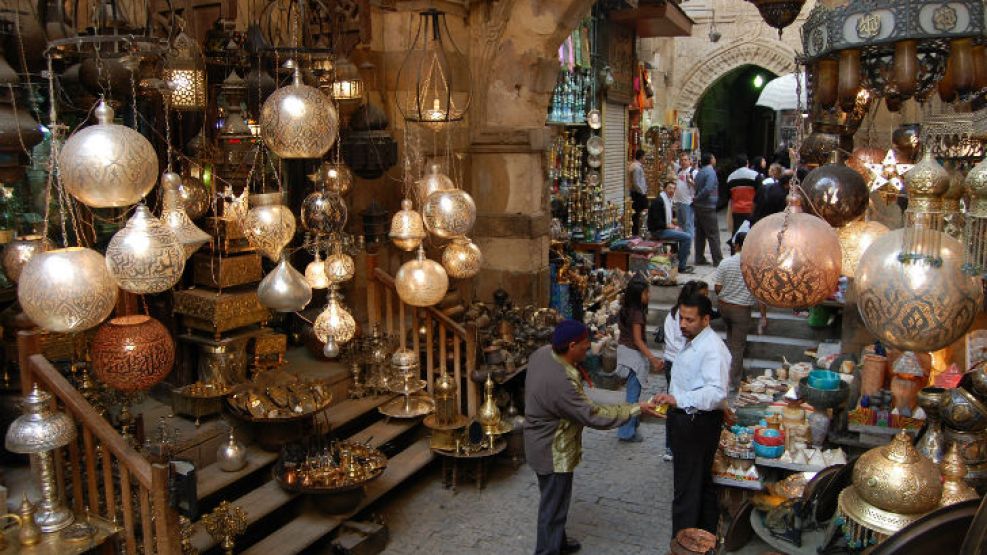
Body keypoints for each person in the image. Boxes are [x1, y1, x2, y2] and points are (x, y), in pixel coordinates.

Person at [525, 320, 658, 555]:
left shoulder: (543, 353)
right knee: (552, 503)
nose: (588, 351)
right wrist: (636, 408)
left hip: (541, 442)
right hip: (552, 449)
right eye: (585, 347)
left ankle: (558, 540)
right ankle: (547, 550)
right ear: (572, 345)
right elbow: (594, 415)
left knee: (556, 499)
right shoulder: (562, 382)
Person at [653, 294, 729, 536]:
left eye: (690, 320)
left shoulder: (712, 349)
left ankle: (684, 543)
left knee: (687, 489)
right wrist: (671, 397)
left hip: (697, 424)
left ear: (706, 319)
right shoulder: (694, 340)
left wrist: (679, 399)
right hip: (688, 420)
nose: (683, 324)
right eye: (681, 319)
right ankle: (704, 538)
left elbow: (716, 393)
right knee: (700, 484)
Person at [660, 280, 710, 462]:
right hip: (675, 362)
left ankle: (679, 444)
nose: (684, 323)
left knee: (681, 402)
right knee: (675, 404)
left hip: (678, 361)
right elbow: (674, 340)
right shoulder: (674, 316)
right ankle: (671, 445)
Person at [714, 232, 768, 390]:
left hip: (724, 307)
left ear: (736, 245)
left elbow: (718, 287)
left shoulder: (725, 263)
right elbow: (760, 295)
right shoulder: (755, 267)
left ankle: (726, 374)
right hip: (741, 311)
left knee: (731, 343)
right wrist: (763, 315)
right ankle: (732, 381)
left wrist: (727, 294)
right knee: (737, 347)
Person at [614, 277, 664, 442]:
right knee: (632, 397)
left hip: (625, 352)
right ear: (638, 295)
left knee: (632, 394)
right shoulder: (637, 314)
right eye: (646, 292)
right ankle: (626, 431)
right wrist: (652, 359)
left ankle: (631, 426)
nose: (649, 295)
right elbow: (638, 340)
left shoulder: (626, 308)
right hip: (632, 356)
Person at [647, 182, 694, 274]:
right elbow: (657, 221)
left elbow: (669, 219)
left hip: (664, 229)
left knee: (684, 233)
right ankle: (681, 266)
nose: (672, 190)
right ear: (664, 189)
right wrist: (669, 226)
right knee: (687, 237)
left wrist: (674, 225)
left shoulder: (668, 200)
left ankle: (678, 263)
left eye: (673, 189)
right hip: (658, 231)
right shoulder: (659, 201)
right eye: (669, 188)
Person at [692, 153, 722, 266]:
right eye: (713, 157)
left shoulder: (700, 172)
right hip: (707, 206)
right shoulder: (710, 172)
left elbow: (697, 186)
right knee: (713, 234)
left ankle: (699, 258)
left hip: (699, 206)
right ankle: (717, 259)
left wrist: (697, 199)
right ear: (710, 160)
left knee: (700, 234)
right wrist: (698, 197)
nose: (715, 159)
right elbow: (708, 188)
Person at [673, 152, 696, 239]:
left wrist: (690, 181)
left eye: (685, 160)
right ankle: (683, 244)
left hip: (687, 202)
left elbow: (698, 186)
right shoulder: (679, 171)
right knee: (681, 225)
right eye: (682, 160)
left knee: (688, 224)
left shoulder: (693, 172)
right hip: (678, 201)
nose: (683, 162)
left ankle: (688, 245)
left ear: (690, 161)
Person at [628, 149, 649, 237]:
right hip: (638, 195)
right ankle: (636, 233)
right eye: (645, 157)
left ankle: (637, 232)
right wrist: (643, 192)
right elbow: (636, 182)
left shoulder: (636, 166)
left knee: (637, 214)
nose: (645, 159)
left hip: (638, 193)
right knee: (638, 214)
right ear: (641, 157)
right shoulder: (636, 167)